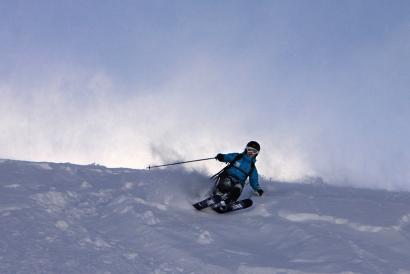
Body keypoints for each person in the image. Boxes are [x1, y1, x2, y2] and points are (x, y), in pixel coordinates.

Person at [213, 141, 264, 207]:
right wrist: (222, 157)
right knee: (227, 183)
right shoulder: (238, 156)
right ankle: (218, 194)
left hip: (239, 182)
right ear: (246, 149)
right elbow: (228, 157)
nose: (251, 153)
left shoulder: (252, 167)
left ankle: (230, 201)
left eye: (254, 151)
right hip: (228, 176)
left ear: (256, 154)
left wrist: (258, 189)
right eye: (249, 150)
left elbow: (254, 179)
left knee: (238, 188)